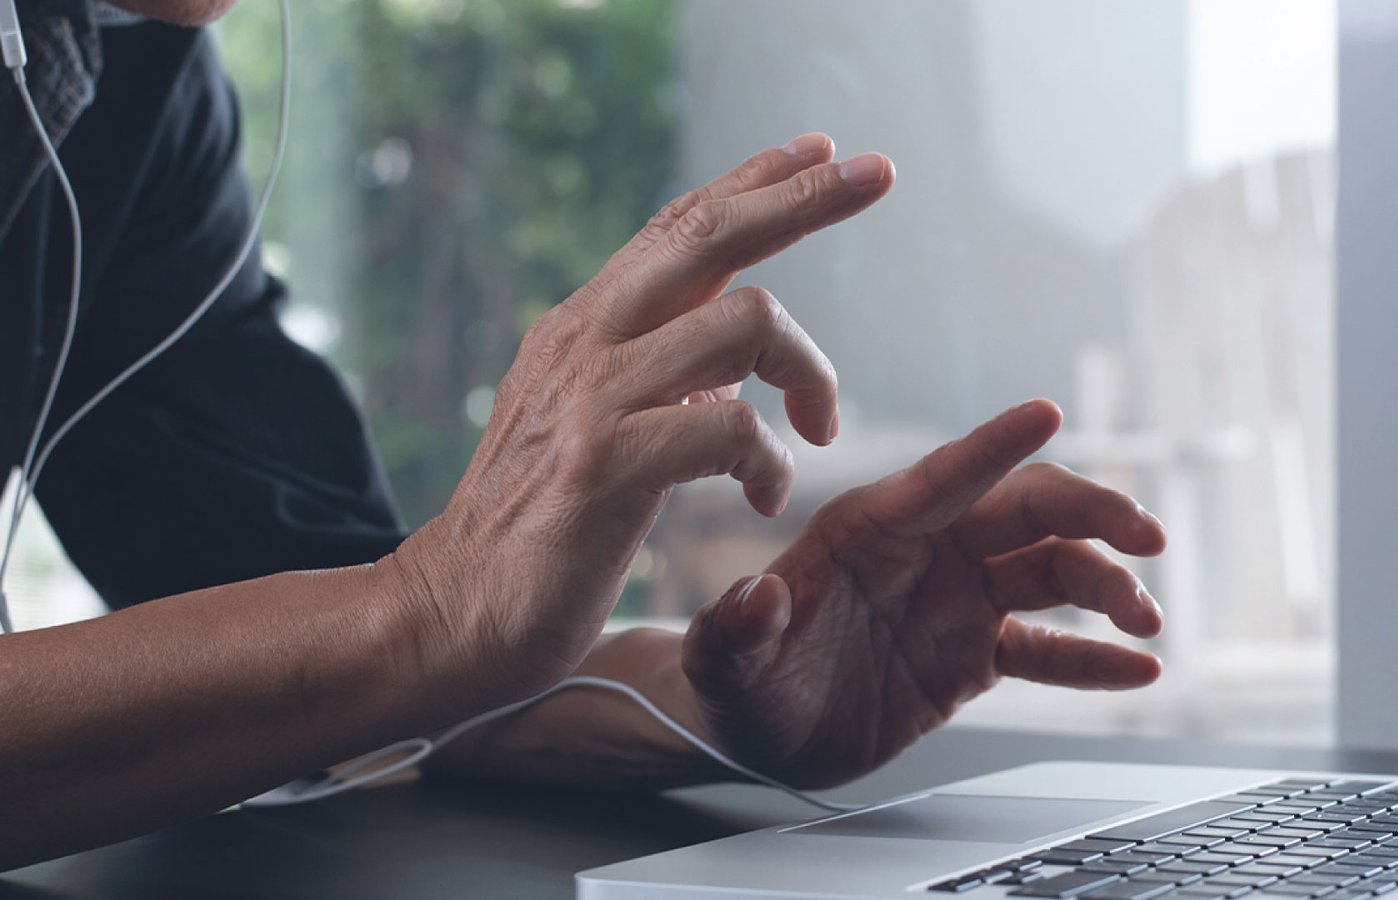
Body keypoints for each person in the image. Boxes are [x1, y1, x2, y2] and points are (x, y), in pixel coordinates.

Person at [0, 0, 1168, 870]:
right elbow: (385, 633)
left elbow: (320, 649)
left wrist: (711, 697)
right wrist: (420, 614)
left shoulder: (127, 73)